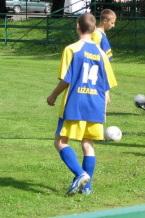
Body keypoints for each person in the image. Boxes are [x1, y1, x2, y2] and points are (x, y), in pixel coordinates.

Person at [46, 12, 118, 195]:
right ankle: (87, 188)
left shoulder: (71, 49)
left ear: (77, 26)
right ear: (94, 29)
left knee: (60, 141)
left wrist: (53, 95)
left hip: (76, 102)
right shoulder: (101, 54)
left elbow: (66, 79)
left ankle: (79, 174)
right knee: (88, 143)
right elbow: (107, 83)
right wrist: (106, 97)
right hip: (96, 103)